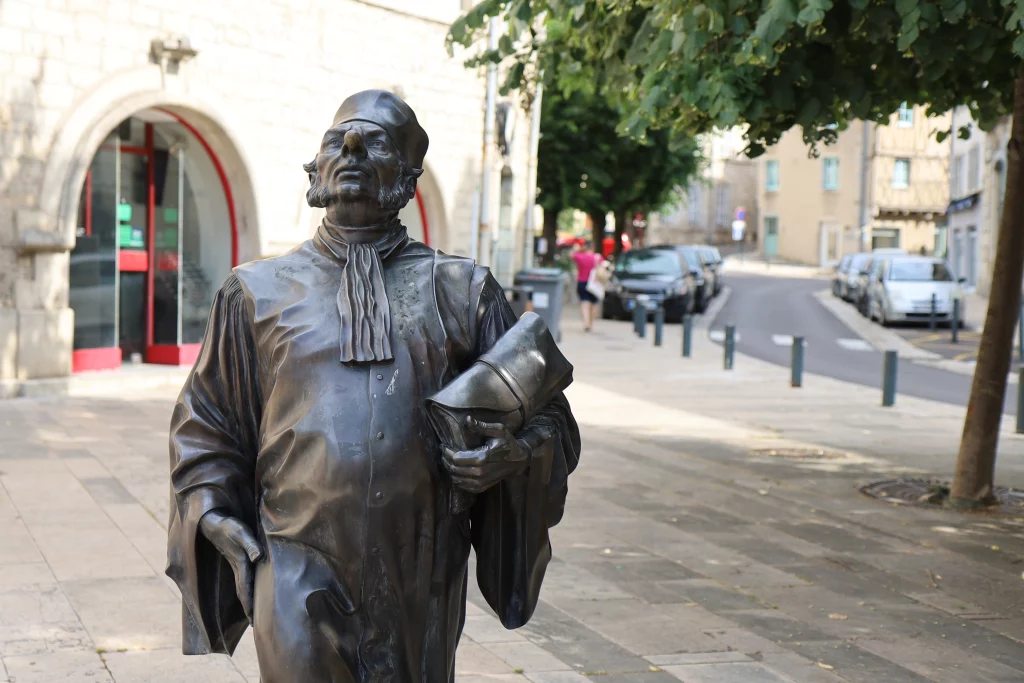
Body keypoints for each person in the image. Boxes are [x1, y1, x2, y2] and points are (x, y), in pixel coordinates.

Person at [165, 90, 581, 683]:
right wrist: (209, 511)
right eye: (339, 140)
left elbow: (553, 419)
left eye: (375, 141)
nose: (352, 148)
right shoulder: (255, 291)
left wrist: (511, 457)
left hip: (422, 563)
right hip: (292, 558)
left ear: (408, 176)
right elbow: (207, 419)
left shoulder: (462, 289)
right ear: (316, 168)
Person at [572, 240, 603, 331]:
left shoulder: (580, 257)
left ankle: (586, 323)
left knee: (585, 303)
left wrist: (579, 249)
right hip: (595, 283)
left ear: (585, 247)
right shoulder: (598, 257)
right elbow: (602, 269)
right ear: (593, 247)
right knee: (594, 304)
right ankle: (591, 323)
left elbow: (572, 255)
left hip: (582, 282)